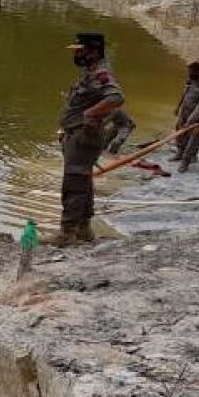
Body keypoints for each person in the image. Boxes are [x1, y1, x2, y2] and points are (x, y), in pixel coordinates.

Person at [55, 32, 124, 245]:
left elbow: (116, 97)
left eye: (80, 51)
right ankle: (84, 229)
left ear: (93, 51)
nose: (77, 55)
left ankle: (67, 233)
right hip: (76, 134)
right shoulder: (91, 71)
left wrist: (90, 114)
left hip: (83, 136)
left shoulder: (101, 73)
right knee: (83, 180)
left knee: (74, 181)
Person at [169, 61, 199, 164]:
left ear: (198, 71)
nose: (189, 73)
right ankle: (180, 153)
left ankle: (192, 155)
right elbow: (185, 94)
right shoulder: (191, 80)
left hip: (196, 113)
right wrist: (178, 107)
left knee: (193, 135)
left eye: (191, 71)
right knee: (179, 131)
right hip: (184, 110)